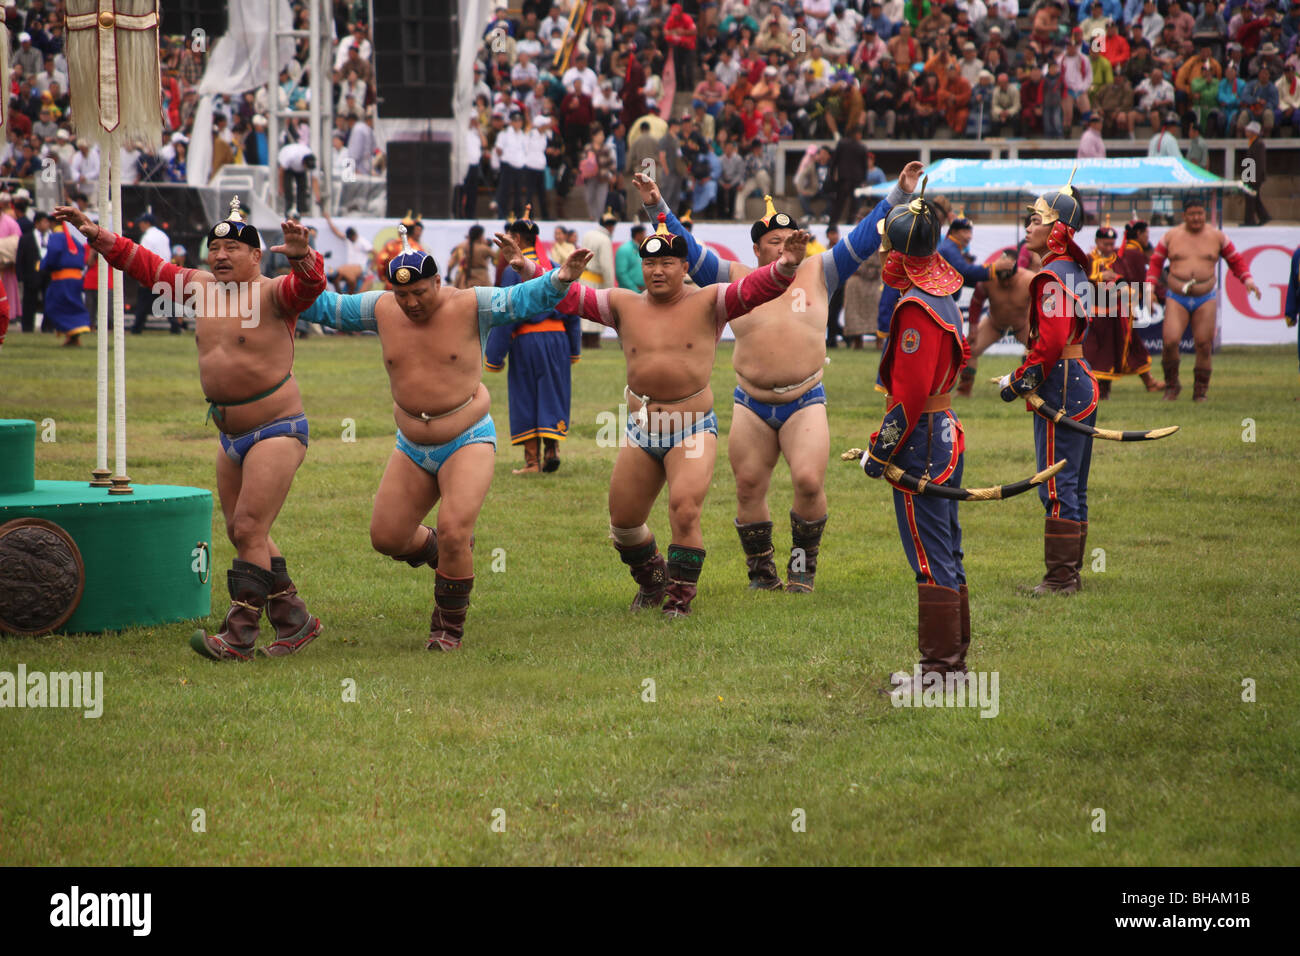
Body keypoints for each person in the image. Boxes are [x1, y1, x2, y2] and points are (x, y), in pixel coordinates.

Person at [55, 198, 329, 660]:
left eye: (231, 248)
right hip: (230, 436)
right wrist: (95, 233)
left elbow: (310, 287)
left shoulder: (273, 293)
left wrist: (303, 256)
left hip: (278, 428)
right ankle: (295, 620)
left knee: (248, 526)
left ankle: (239, 635)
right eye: (214, 247)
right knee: (242, 532)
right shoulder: (199, 287)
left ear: (257, 256)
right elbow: (143, 264)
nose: (220, 255)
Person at [296, 226, 592, 650]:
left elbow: (524, 300)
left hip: (468, 437)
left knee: (456, 528)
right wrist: (301, 262)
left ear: (438, 281)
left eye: (420, 292)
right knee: (387, 537)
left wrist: (560, 278)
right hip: (411, 445)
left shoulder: (472, 304)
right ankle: (443, 551)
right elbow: (324, 307)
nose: (412, 303)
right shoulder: (381, 309)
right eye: (403, 295)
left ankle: (447, 628)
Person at [637, 163, 926, 593]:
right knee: (749, 485)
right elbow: (689, 249)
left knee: (809, 481)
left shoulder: (821, 271)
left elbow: (866, 236)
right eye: (774, 241)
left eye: (791, 240)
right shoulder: (731, 278)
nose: (785, 246)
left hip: (805, 397)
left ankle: (801, 567)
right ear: (757, 250)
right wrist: (655, 204)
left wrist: (900, 195)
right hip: (750, 402)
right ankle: (761, 574)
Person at [513, 216, 808, 617]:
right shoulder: (623, 304)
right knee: (624, 522)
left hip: (692, 428)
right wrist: (533, 269)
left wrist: (786, 266)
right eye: (650, 263)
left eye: (668, 263)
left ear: (685, 268)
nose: (657, 270)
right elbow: (571, 298)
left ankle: (679, 600)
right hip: (642, 429)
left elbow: (755, 289)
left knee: (684, 508)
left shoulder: (711, 301)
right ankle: (654, 580)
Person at [858, 191, 972, 695]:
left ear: (900, 252)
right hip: (942, 436)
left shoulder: (915, 307)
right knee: (947, 550)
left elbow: (906, 399)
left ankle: (940, 674)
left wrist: (878, 453)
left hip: (921, 442)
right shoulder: (940, 293)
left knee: (930, 557)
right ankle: (952, 668)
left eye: (888, 246)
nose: (883, 254)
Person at [997, 180, 1096, 596]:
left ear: (1057, 230)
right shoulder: (1071, 270)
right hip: (1079, 382)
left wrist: (1019, 382)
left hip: (1061, 388)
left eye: (1036, 220)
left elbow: (1051, 343)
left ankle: (1060, 580)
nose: (1027, 227)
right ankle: (1069, 573)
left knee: (1057, 484)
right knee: (1074, 483)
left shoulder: (1052, 275)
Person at [485, 214, 582, 475]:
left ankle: (532, 462)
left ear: (516, 239)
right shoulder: (553, 265)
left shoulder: (512, 270)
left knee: (525, 396)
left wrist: (494, 356)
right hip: (558, 339)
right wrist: (574, 349)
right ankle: (552, 450)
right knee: (552, 393)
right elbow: (572, 308)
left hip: (527, 339)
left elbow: (505, 311)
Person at [1145, 196, 1261, 401]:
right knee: (1170, 341)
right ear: (1184, 216)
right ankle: (1172, 385)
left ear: (1205, 214)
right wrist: (1149, 289)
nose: (1196, 218)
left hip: (1205, 296)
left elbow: (1235, 260)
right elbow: (1155, 262)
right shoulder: (1171, 236)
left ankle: (1200, 391)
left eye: (1200, 213)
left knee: (1204, 344)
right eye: (1192, 214)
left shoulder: (1217, 237)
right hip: (1176, 296)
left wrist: (1248, 280)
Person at [1084, 219, 1164, 397]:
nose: (1109, 247)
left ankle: (1147, 381)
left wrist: (1124, 294)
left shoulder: (1118, 260)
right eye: (1105, 243)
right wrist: (1099, 276)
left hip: (1118, 314)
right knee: (1094, 354)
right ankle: (1097, 390)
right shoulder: (1088, 259)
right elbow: (1081, 283)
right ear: (1097, 242)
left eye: (1112, 244)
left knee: (1127, 348)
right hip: (1093, 316)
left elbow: (1129, 283)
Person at [964, 256, 1034, 377]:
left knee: (1037, 351)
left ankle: (1035, 387)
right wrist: (973, 328)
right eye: (1001, 280)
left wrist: (1037, 328)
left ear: (1016, 273)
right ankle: (964, 389)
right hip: (994, 323)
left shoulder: (1029, 280)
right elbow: (976, 303)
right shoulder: (987, 280)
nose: (1005, 283)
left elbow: (1039, 306)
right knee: (970, 349)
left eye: (1009, 279)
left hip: (1022, 325)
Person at [39, 216, 90, 346]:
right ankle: (72, 338)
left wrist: (43, 265)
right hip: (75, 278)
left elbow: (53, 254)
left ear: (51, 223)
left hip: (62, 280)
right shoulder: (71, 238)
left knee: (55, 307)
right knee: (70, 306)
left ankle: (77, 328)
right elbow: (82, 252)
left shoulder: (56, 237)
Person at [577, 207, 618, 348]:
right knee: (595, 309)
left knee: (583, 308)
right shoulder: (605, 240)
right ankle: (593, 342)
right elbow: (606, 266)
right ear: (611, 226)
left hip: (583, 277)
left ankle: (585, 341)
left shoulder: (588, 234)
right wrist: (610, 287)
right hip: (596, 280)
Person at [130, 213, 177, 333]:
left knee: (143, 302)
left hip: (151, 273)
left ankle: (136, 328)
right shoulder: (163, 235)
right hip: (165, 271)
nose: (139, 225)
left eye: (141, 223)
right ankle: (175, 327)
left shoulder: (147, 237)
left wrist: (141, 275)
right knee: (167, 302)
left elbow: (143, 256)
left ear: (146, 223)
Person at [1242, 121, 1270, 226]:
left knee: (1251, 197)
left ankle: (1250, 220)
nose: (1246, 132)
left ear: (1254, 132)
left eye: (1248, 130)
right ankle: (1264, 216)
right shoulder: (1252, 143)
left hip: (1254, 177)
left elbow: (1258, 162)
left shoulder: (1259, 144)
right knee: (1254, 197)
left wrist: (1253, 177)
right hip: (1250, 175)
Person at [616, 224, 647, 291]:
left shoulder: (643, 248)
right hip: (630, 292)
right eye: (644, 234)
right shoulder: (624, 249)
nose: (645, 237)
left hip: (644, 291)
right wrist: (635, 290)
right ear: (638, 235)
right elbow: (621, 273)